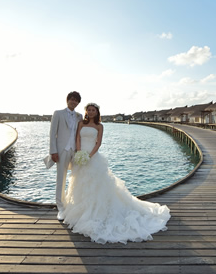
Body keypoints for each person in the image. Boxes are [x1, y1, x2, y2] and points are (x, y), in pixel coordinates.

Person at [63, 103, 171, 244]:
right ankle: (80, 211)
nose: (90, 112)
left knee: (96, 185)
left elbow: (98, 143)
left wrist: (89, 156)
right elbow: (77, 138)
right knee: (80, 183)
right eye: (88, 110)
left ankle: (95, 211)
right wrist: (79, 153)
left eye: (93, 110)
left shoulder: (100, 126)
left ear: (96, 112)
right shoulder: (81, 124)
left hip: (93, 157)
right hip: (80, 155)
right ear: (86, 111)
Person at [49, 91, 82, 221]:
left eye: (76, 100)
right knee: (61, 179)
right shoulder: (58, 113)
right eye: (71, 99)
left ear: (78, 103)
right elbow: (52, 134)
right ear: (67, 100)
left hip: (75, 151)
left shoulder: (79, 116)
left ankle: (74, 204)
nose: (73, 102)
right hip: (62, 150)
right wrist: (53, 151)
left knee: (77, 178)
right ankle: (61, 207)